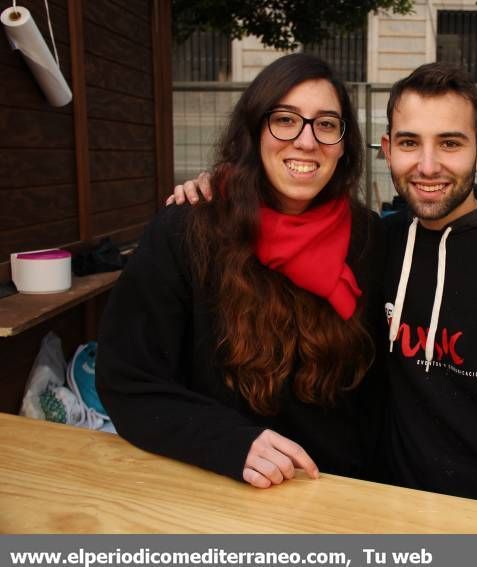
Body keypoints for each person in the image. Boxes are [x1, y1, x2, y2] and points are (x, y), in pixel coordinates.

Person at [172, 63, 477, 526]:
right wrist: (224, 187)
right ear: (386, 148)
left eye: (450, 143)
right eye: (409, 142)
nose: (427, 165)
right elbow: (286, 237)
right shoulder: (377, 245)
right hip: (393, 518)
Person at [96, 53, 386, 490]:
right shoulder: (188, 230)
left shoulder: (370, 238)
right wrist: (229, 443)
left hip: (336, 492)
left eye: (326, 124)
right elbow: (127, 379)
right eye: (285, 120)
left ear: (344, 145)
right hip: (218, 485)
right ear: (255, 130)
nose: (307, 141)